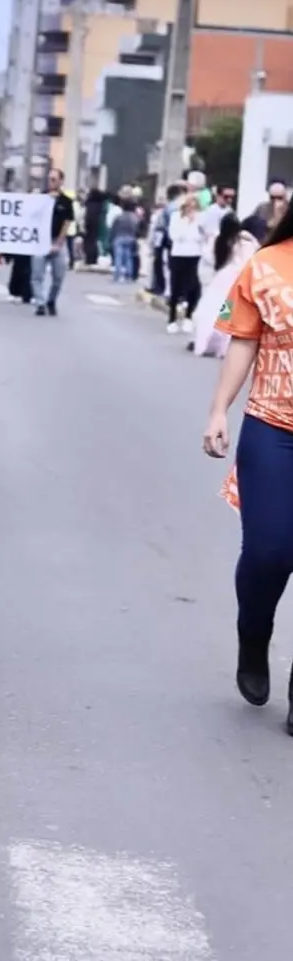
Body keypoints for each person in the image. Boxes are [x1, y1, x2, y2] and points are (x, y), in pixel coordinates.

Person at [203, 203, 293, 730]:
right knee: (270, 550)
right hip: (272, 427)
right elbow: (244, 340)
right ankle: (253, 633)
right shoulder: (266, 265)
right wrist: (219, 411)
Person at [193, 213, 258, 358]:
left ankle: (206, 341)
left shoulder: (218, 241)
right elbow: (252, 257)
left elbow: (209, 257)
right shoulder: (244, 243)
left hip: (220, 279)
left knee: (211, 310)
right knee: (227, 312)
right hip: (236, 281)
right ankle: (223, 344)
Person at [32, 167, 74, 315]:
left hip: (57, 240)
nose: (51, 182)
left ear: (61, 181)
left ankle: (51, 299)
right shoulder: (41, 198)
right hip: (40, 240)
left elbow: (67, 222)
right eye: (49, 179)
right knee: (37, 274)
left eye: (54, 179)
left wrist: (59, 243)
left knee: (59, 276)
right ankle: (40, 302)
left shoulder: (66, 201)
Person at [167, 191, 207, 334]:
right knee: (175, 287)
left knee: (193, 287)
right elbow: (175, 235)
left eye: (194, 206)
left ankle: (188, 317)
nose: (192, 209)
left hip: (194, 255)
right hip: (178, 254)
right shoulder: (175, 217)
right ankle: (172, 319)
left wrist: (194, 225)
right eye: (189, 206)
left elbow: (201, 237)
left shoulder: (200, 218)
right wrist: (187, 224)